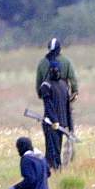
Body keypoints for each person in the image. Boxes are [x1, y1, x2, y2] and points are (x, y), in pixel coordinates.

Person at [37, 39, 74, 169]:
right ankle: (54, 170)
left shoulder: (42, 65)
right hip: (59, 120)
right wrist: (69, 124)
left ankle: (54, 169)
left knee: (53, 149)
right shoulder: (64, 83)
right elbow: (73, 83)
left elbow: (45, 100)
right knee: (54, 149)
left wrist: (55, 120)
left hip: (55, 120)